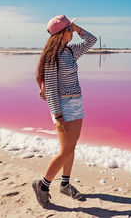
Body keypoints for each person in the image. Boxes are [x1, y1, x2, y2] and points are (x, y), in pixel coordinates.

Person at [32, 15, 97, 208]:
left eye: (71, 28)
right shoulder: (53, 57)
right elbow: (51, 89)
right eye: (69, 29)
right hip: (63, 106)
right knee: (65, 150)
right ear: (61, 33)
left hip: (77, 102)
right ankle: (42, 186)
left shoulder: (70, 51)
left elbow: (92, 41)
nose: (72, 32)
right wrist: (58, 116)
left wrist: (77, 28)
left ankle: (65, 184)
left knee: (72, 147)